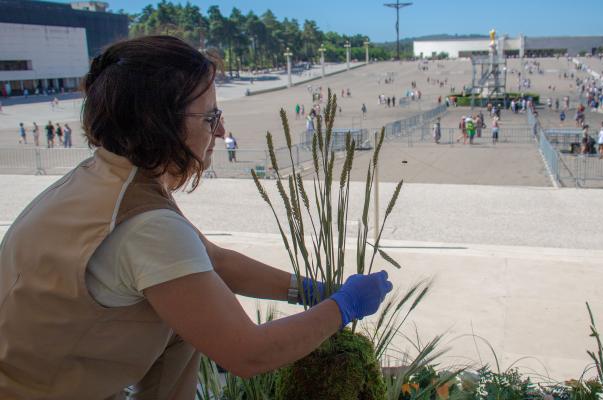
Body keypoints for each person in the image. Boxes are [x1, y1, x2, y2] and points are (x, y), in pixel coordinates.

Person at [0, 36, 393, 399]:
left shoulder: (105, 176)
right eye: (210, 117)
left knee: (190, 316)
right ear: (161, 124)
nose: (221, 131)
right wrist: (344, 306)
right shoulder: (146, 226)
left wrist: (310, 289)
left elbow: (213, 262)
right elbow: (248, 354)